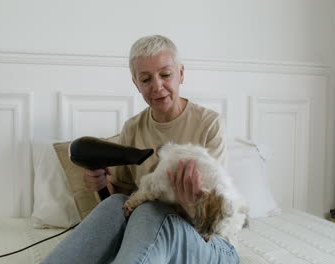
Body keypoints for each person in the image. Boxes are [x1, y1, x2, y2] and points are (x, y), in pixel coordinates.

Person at [41, 35, 239, 264]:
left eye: (165, 75)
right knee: (116, 205)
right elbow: (123, 203)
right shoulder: (133, 128)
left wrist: (188, 203)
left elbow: (213, 219)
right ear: (136, 83)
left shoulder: (209, 124)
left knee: (149, 210)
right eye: (146, 79)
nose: (157, 86)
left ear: (181, 74)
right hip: (151, 231)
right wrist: (101, 185)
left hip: (210, 241)